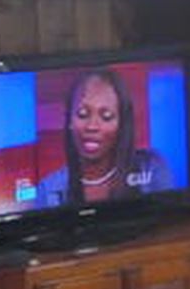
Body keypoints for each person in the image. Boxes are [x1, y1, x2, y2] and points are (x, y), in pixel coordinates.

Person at [37, 68, 173, 207]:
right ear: (69, 120)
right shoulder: (48, 190)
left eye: (106, 117)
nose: (92, 126)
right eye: (82, 114)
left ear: (121, 124)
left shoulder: (151, 167)